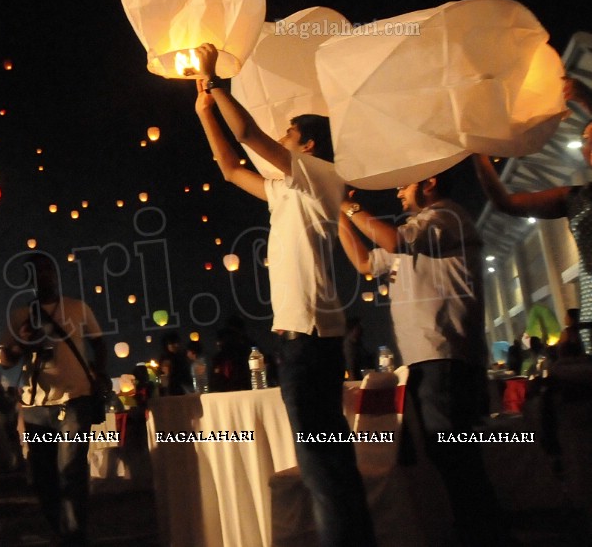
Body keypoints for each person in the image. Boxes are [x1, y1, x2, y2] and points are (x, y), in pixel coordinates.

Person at [192, 43, 375, 547]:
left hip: (308, 337)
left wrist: (213, 79)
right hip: (307, 338)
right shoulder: (292, 190)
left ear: (309, 145)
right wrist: (206, 110)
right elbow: (231, 167)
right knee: (332, 461)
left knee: (321, 468)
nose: (282, 133)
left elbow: (247, 133)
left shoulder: (321, 177)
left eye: (291, 129)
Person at [337, 170, 508, 546]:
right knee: (448, 455)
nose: (399, 192)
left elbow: (394, 240)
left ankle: (484, 534)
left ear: (429, 183)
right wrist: (338, 214)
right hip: (426, 360)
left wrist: (350, 207)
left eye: (405, 184)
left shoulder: (445, 218)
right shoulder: (418, 233)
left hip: (444, 356)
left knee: (455, 456)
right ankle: (480, 530)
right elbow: (366, 263)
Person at [473, 76, 592, 353]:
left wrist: (587, 100)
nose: (589, 142)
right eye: (586, 139)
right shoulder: (575, 198)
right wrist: (478, 153)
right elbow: (506, 202)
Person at [0, 254, 107, 547]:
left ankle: (75, 537)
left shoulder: (77, 307)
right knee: (43, 478)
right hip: (36, 407)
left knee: (71, 471)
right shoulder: (21, 315)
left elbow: (99, 341)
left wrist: (100, 373)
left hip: (75, 399)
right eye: (35, 272)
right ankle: (64, 531)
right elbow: (2, 358)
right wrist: (20, 344)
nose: (42, 276)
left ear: (55, 274)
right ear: (29, 279)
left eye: (47, 269)